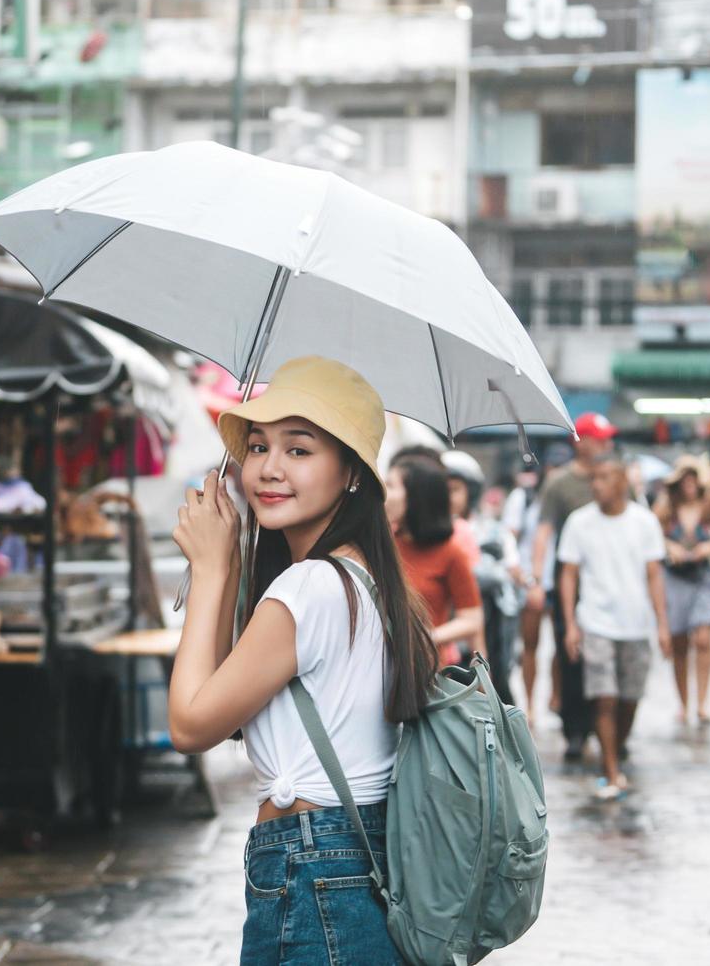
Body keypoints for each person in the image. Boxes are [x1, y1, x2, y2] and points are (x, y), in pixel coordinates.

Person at [165, 356, 437, 965]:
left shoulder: (309, 588)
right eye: (259, 446)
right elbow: (221, 692)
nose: (268, 468)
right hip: (358, 858)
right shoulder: (367, 582)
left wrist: (210, 573)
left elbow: (189, 725)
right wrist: (231, 562)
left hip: (312, 865)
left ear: (353, 476)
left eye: (300, 449)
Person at [557, 455, 670, 801]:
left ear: (623, 482)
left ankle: (615, 750)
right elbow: (569, 574)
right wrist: (571, 625)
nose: (597, 485)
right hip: (597, 622)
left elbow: (654, 575)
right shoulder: (579, 522)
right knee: (603, 698)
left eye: (605, 478)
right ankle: (610, 769)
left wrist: (662, 624)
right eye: (594, 478)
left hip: (635, 625)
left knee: (629, 699)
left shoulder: (644, 522)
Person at [530, 411, 616, 761]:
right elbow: (543, 531)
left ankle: (608, 727)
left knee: (608, 656)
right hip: (570, 580)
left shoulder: (614, 478)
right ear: (583, 442)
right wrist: (536, 579)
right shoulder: (560, 484)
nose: (607, 443)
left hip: (607, 579)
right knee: (572, 657)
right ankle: (575, 730)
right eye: (601, 437)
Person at [653, 456, 710, 726]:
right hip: (674, 579)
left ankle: (703, 704)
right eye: (685, 479)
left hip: (702, 578)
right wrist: (670, 547)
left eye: (693, 479)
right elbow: (652, 535)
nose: (689, 484)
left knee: (704, 640)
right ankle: (684, 704)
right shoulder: (666, 509)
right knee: (680, 644)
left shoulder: (709, 509)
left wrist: (706, 548)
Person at [387, 457, 484, 667]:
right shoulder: (383, 543)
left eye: (391, 486)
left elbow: (472, 620)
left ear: (416, 496)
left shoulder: (451, 553)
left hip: (426, 671)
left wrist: (428, 636)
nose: (384, 494)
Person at [445, 450, 522, 703]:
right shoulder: (423, 533)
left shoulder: (495, 533)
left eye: (454, 489)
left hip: (487, 629)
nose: (447, 497)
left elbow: (509, 577)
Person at [504, 443, 570, 722]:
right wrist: (525, 578)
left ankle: (555, 699)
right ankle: (529, 705)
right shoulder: (526, 498)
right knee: (530, 645)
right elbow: (509, 537)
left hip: (560, 578)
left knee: (560, 644)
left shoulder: (568, 499)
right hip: (531, 581)